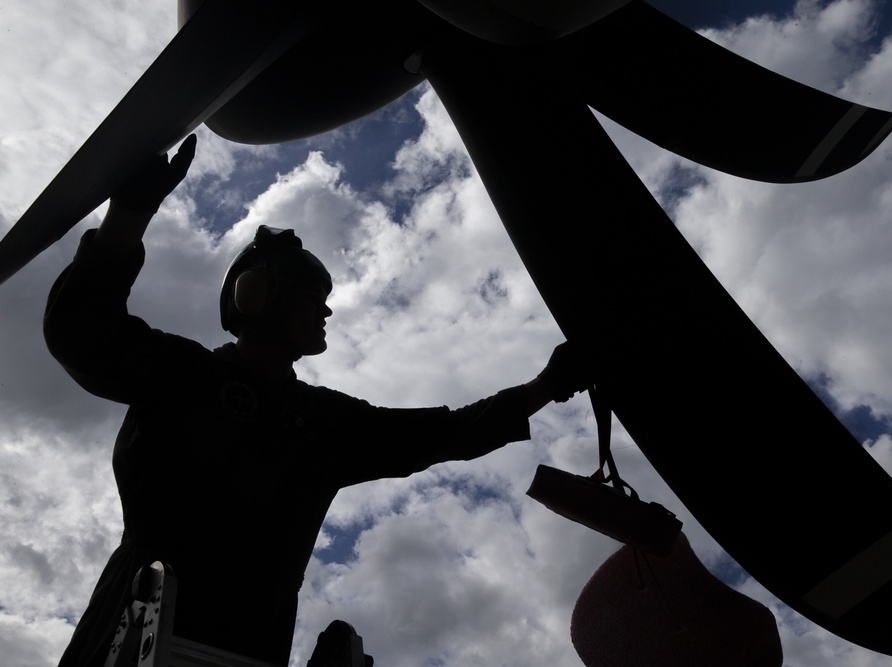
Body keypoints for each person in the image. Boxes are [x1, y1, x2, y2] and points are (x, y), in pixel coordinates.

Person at [44, 135, 588, 666]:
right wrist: (129, 215)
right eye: (313, 300)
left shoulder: (326, 422)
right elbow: (83, 332)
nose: (325, 314)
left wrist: (545, 387)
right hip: (130, 632)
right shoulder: (183, 374)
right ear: (258, 298)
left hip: (251, 642)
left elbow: (448, 433)